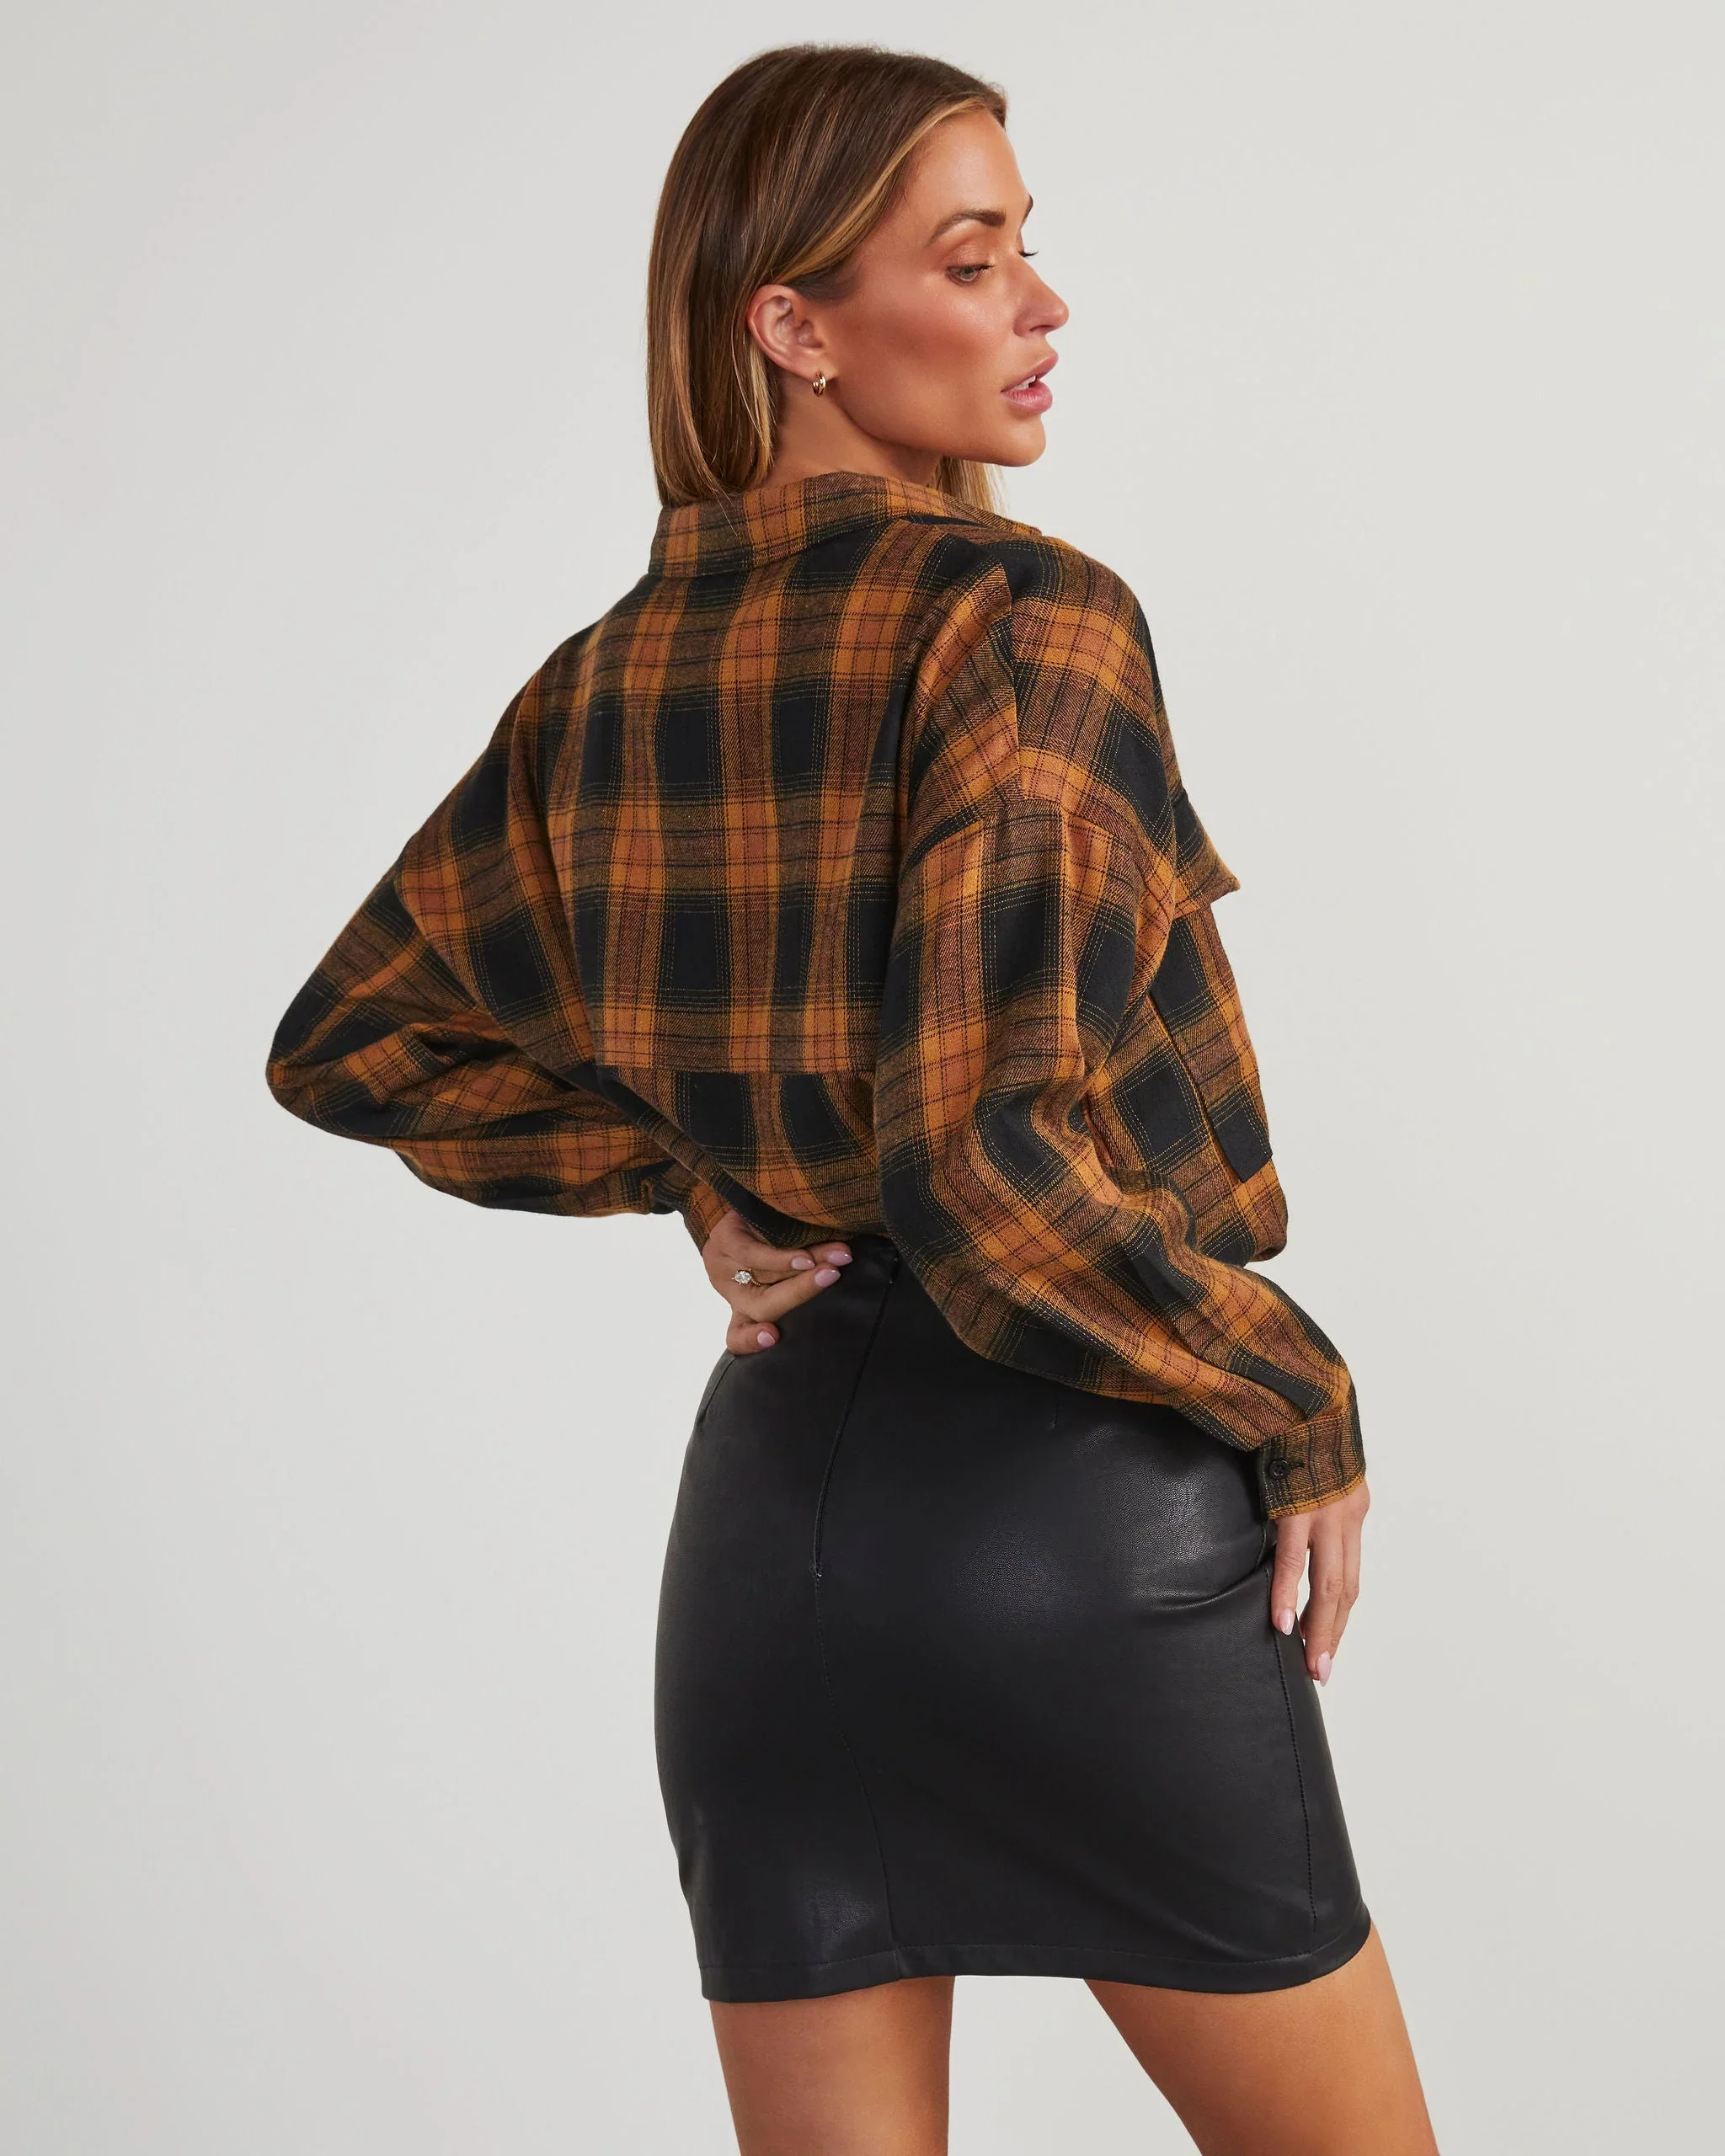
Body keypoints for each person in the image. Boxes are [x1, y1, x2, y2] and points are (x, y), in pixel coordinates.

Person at [264, 41, 1439, 2156]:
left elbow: (349, 1040)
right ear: (794, 327)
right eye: (972, 262)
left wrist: (690, 1178)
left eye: (1024, 252)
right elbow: (982, 1164)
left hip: (768, 1559)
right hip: (1076, 1519)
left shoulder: (602, 678)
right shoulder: (1031, 620)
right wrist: (1298, 1389)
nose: (1042, 306)